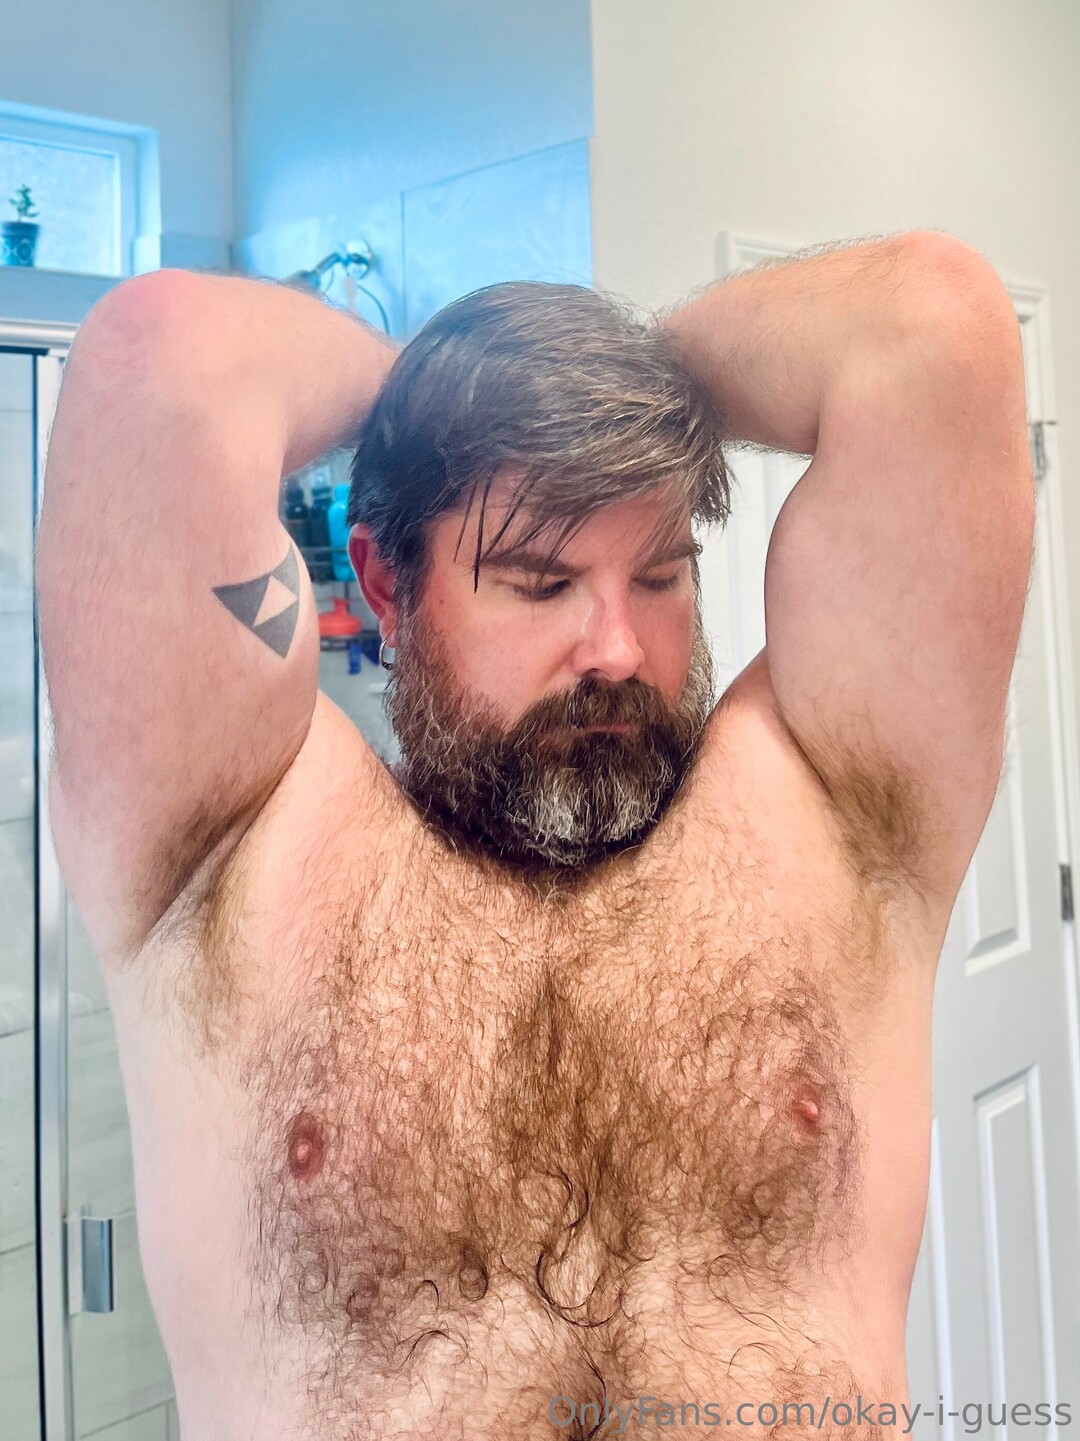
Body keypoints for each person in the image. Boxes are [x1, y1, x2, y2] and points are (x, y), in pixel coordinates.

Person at [36, 230, 1034, 1440]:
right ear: (386, 587)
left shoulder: (833, 818)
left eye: (660, 576)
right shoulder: (239, 846)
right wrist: (449, 382)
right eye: (539, 583)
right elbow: (163, 363)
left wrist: (623, 366)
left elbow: (928, 326)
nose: (617, 650)